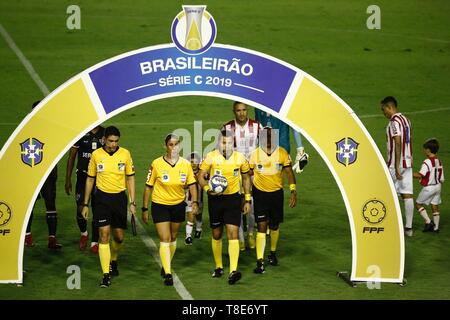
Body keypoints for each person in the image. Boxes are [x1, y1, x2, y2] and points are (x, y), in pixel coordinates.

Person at [81, 126, 136, 288]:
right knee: (103, 235)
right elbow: (90, 179)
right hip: (101, 199)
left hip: (119, 199)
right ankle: (106, 274)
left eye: (116, 141)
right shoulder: (96, 155)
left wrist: (132, 202)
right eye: (110, 141)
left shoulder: (125, 154)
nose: (113, 144)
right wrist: (85, 204)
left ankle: (113, 260)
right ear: (104, 139)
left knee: (119, 237)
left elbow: (131, 178)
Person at [142, 134, 198, 286]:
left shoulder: (185, 164)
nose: (173, 148)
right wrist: (145, 208)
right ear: (165, 146)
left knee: (173, 237)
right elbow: (148, 187)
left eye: (176, 145)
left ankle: (166, 264)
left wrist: (194, 201)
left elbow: (192, 184)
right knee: (164, 238)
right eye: (170, 145)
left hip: (178, 204)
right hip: (160, 204)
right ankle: (168, 273)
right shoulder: (156, 164)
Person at [197, 129, 252, 285]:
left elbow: (246, 178)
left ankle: (233, 271)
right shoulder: (211, 157)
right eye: (223, 142)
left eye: (228, 142)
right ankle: (219, 266)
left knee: (233, 233)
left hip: (233, 199)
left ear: (232, 143)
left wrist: (247, 199)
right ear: (218, 142)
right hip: (215, 200)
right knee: (216, 234)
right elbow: (200, 175)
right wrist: (208, 189)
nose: (226, 145)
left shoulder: (240, 158)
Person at [249, 127, 297, 272]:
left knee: (275, 225)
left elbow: (289, 172)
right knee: (262, 226)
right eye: (266, 136)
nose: (269, 139)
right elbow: (247, 173)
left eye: (271, 136)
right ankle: (260, 261)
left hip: (277, 194)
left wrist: (293, 190)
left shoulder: (282, 153)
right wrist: (245, 193)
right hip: (260, 194)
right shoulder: (255, 154)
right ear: (261, 137)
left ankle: (272, 253)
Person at [222, 101, 262, 251]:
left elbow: (267, 146)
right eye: (238, 110)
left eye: (244, 110)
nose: (241, 113)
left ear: (248, 110)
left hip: (252, 173)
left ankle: (251, 233)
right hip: (235, 173)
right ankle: (239, 237)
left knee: (251, 204)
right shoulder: (227, 128)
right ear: (234, 111)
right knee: (236, 205)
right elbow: (221, 149)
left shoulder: (257, 126)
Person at [24, 100, 61, 250]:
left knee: (50, 203)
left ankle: (52, 238)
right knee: (30, 205)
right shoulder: (27, 129)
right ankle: (27, 236)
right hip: (32, 171)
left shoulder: (51, 127)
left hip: (48, 171)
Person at [65, 125, 105, 253]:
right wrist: (68, 179)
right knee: (80, 209)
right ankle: (84, 234)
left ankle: (94, 242)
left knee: (97, 210)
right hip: (82, 176)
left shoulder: (105, 133)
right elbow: (72, 156)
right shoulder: (80, 132)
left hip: (100, 177)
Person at [381, 96, 414, 237]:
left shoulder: (394, 122)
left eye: (384, 110)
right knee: (407, 194)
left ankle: (391, 225)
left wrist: (396, 164)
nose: (384, 113)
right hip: (408, 161)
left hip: (397, 164)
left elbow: (398, 141)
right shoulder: (407, 120)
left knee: (388, 193)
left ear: (390, 107)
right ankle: (408, 228)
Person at [254, 109, 309, 174]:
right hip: (267, 148)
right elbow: (257, 128)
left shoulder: (284, 107)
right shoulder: (259, 108)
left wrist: (300, 150)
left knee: (275, 176)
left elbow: (294, 125)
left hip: (281, 149)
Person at [413, 138, 444, 232]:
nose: (424, 150)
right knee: (434, 205)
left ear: (428, 150)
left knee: (418, 204)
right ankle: (436, 228)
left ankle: (428, 222)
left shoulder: (427, 162)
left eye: (425, 148)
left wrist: (408, 173)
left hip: (429, 188)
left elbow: (420, 175)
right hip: (438, 186)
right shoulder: (439, 160)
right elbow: (442, 177)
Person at [184, 151, 204, 245]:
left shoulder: (202, 173)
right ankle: (188, 236)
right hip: (189, 200)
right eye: (191, 162)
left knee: (198, 216)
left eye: (196, 162)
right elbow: (182, 185)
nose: (194, 164)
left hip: (200, 200)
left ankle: (199, 230)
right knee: (191, 217)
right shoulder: (186, 173)